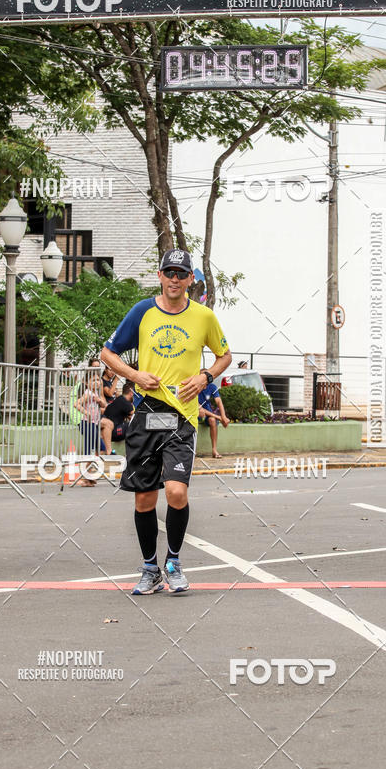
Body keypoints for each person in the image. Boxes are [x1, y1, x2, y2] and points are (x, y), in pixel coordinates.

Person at [101, 249, 232, 595]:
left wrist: (205, 377)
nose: (174, 279)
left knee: (175, 491)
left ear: (191, 280)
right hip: (146, 414)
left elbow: (225, 355)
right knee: (144, 500)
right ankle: (150, 569)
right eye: (169, 272)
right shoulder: (142, 311)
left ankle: (173, 562)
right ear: (160, 276)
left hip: (182, 416)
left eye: (181, 273)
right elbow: (107, 352)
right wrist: (134, 375)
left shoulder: (204, 317)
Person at [198, 381, 230, 458]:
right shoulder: (195, 387)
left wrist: (224, 417)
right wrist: (219, 417)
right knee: (198, 414)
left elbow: (219, 401)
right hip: (196, 413)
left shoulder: (212, 386)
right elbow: (199, 408)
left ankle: (214, 450)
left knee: (212, 420)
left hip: (208, 414)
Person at [101, 381, 135, 453]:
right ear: (131, 393)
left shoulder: (119, 399)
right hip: (113, 433)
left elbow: (130, 416)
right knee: (135, 424)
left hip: (109, 431)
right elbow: (136, 417)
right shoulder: (125, 402)